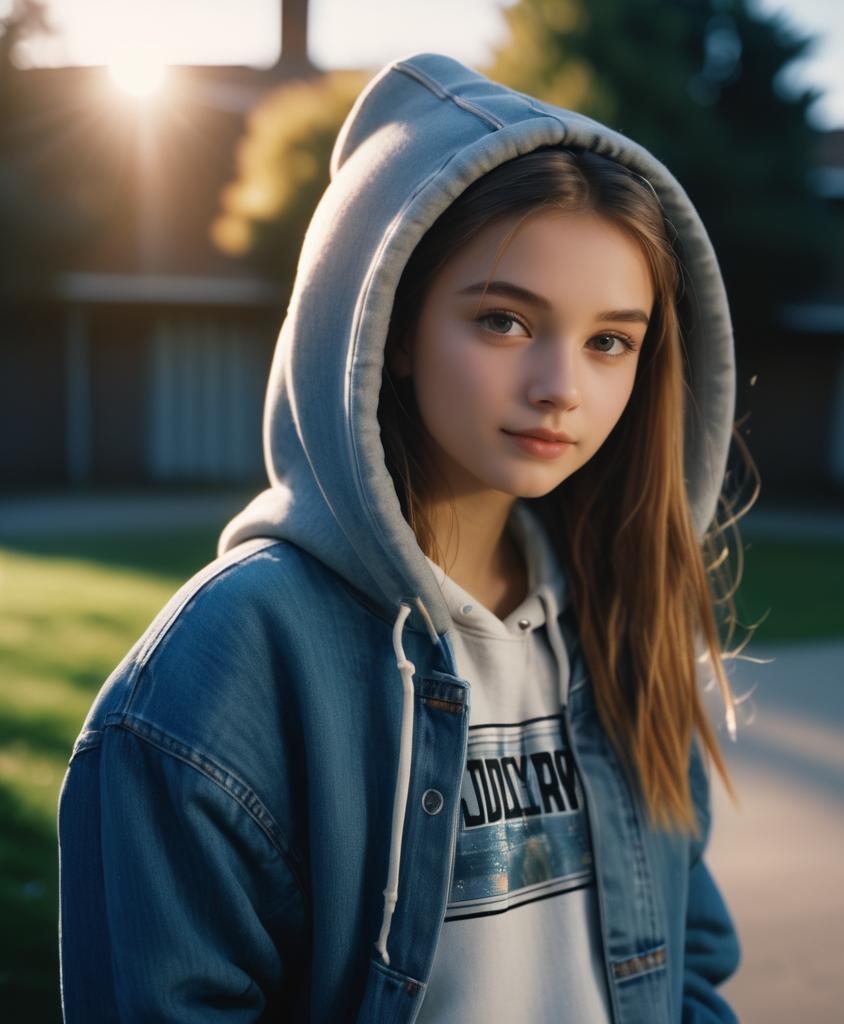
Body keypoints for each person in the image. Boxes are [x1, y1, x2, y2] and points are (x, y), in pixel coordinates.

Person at [57, 51, 753, 1023]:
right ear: (386, 327)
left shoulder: (619, 623)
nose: (563, 384)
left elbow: (688, 962)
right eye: (506, 320)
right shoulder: (229, 662)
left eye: (609, 340)